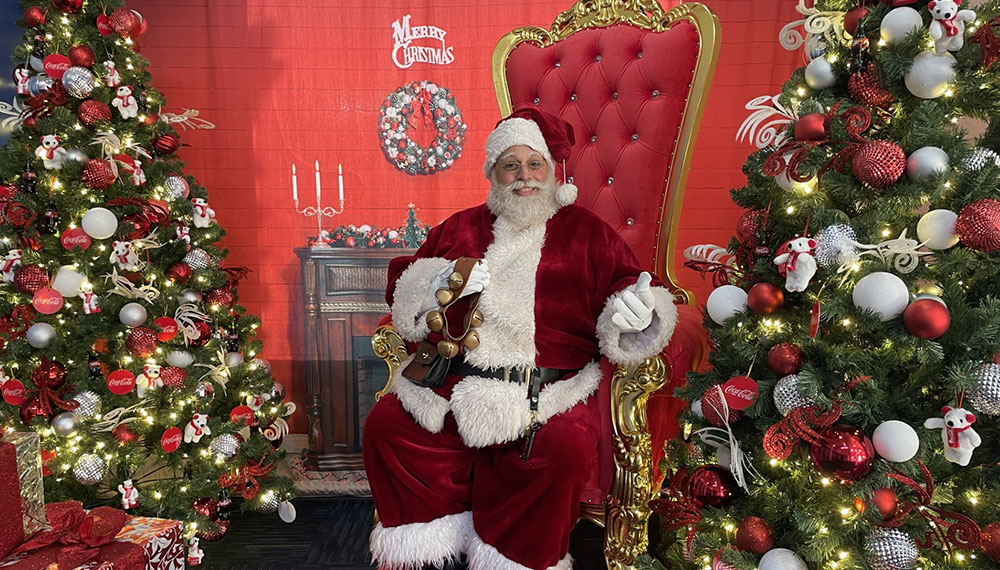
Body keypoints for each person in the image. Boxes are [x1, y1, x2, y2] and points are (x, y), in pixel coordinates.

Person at [363, 107, 678, 570]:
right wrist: (427, 289)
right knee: (386, 426)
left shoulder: (588, 232)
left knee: (563, 448)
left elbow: (628, 285)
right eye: (511, 165)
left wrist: (637, 314)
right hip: (451, 383)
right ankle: (432, 553)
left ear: (552, 171)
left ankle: (515, 558)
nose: (524, 176)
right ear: (493, 172)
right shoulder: (459, 227)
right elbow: (403, 284)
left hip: (548, 392)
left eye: (534, 164)